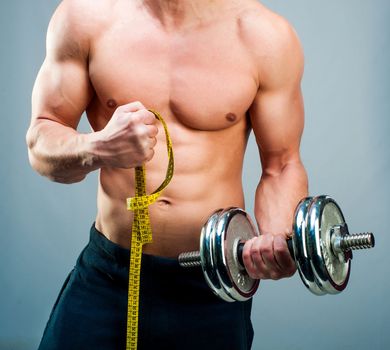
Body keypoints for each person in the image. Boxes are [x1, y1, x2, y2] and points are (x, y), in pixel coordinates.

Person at [26, 0, 308, 349]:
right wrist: (98, 148)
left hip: (211, 287)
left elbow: (282, 165)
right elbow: (41, 143)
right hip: (110, 275)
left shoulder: (265, 37)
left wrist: (276, 238)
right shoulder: (85, 17)